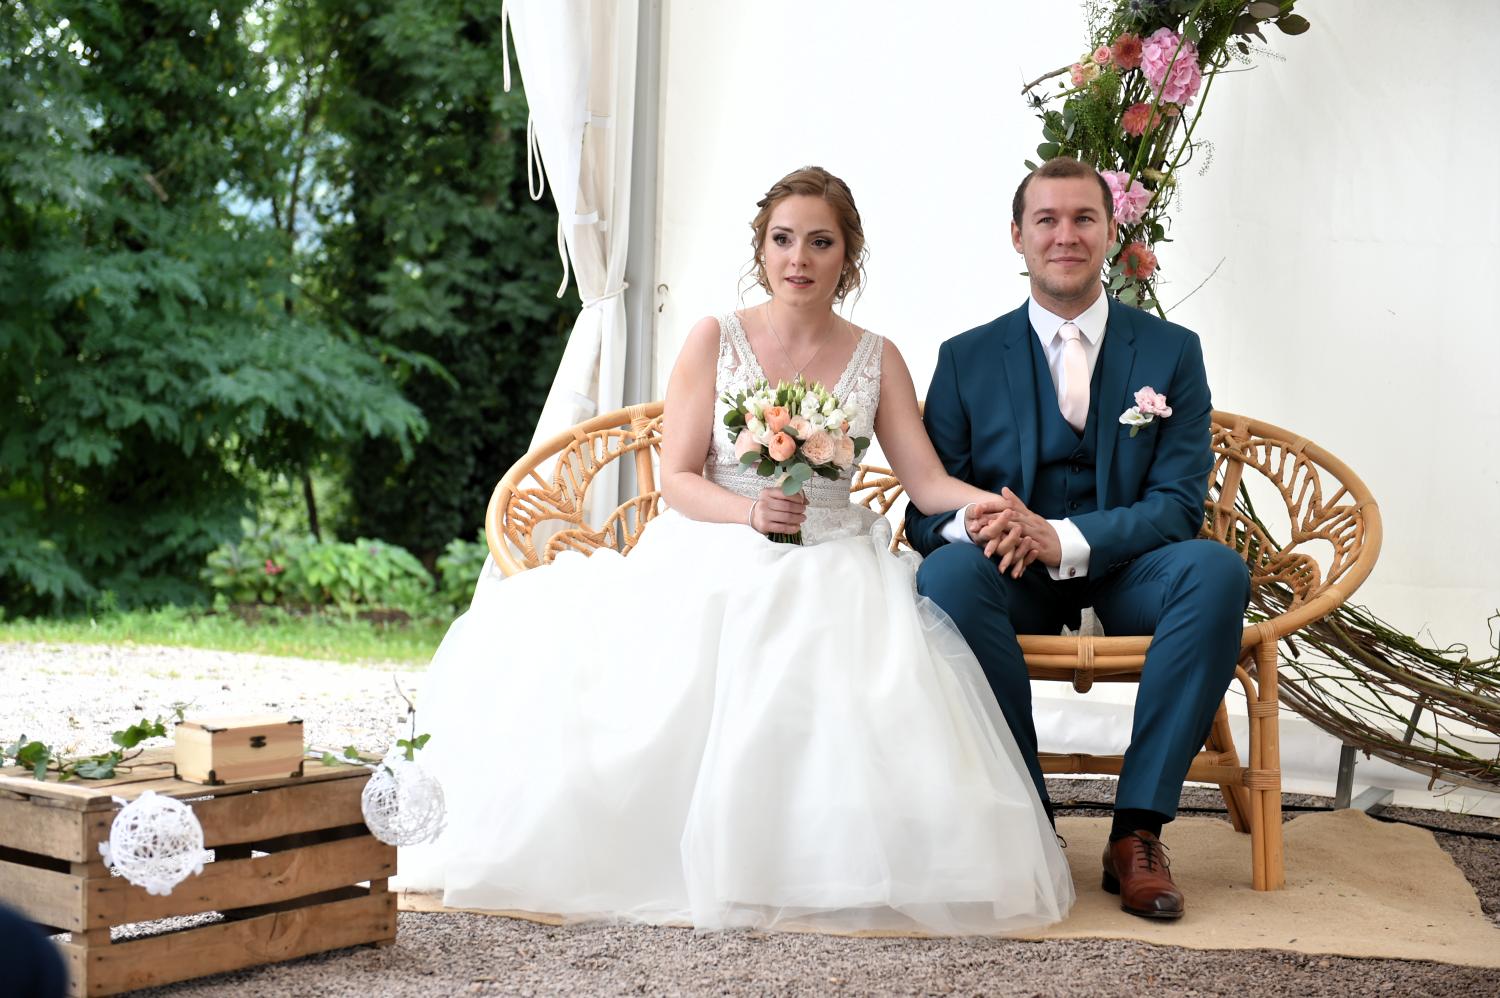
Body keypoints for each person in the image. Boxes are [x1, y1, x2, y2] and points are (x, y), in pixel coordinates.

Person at [396, 166, 1073, 935]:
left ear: (848, 255)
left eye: (820, 242)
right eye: (783, 240)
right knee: (728, 622)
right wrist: (751, 513)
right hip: (719, 537)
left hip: (835, 549)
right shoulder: (714, 338)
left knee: (844, 637)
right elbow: (678, 479)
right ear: (762, 249)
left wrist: (992, 505)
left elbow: (925, 482)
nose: (799, 258)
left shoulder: (878, 356)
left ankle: (819, 857)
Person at [905, 157, 1251, 920]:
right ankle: (1028, 822)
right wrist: (985, 524)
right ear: (1018, 237)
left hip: (1130, 574)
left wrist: (1060, 537)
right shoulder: (964, 359)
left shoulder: (1172, 352)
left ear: (1111, 231)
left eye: (1084, 218)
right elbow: (924, 516)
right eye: (1047, 220)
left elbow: (1177, 506)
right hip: (1013, 580)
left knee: (1217, 572)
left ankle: (1137, 832)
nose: (1066, 235)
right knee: (946, 577)